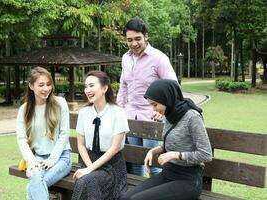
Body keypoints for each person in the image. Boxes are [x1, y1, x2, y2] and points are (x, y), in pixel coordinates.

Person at [121, 79, 212, 200]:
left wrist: (175, 155)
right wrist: (153, 151)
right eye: (151, 105)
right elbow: (172, 144)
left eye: (155, 104)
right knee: (126, 197)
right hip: (169, 173)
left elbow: (206, 154)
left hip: (188, 179)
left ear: (167, 99)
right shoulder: (170, 114)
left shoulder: (192, 117)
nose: (153, 109)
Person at [117, 17, 178, 176]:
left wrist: (164, 111)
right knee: (136, 161)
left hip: (151, 118)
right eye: (129, 40)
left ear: (146, 36)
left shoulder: (159, 58)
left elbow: (173, 86)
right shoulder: (125, 58)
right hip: (130, 116)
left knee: (153, 164)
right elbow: (123, 84)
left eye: (138, 39)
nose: (134, 43)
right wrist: (119, 108)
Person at [72, 70, 129, 200]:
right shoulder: (84, 113)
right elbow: (80, 144)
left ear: (104, 88)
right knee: (86, 180)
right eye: (86, 86)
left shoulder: (118, 112)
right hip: (89, 160)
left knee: (86, 181)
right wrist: (89, 167)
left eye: (92, 85)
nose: (87, 90)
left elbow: (115, 148)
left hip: (112, 164)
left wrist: (89, 169)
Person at [16, 67, 72, 200]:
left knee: (33, 186)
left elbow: (65, 133)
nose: (46, 88)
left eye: (48, 84)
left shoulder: (60, 103)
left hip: (61, 158)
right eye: (41, 85)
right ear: (31, 86)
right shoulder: (24, 109)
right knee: (36, 181)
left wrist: (52, 160)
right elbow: (21, 138)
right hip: (38, 158)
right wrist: (32, 162)